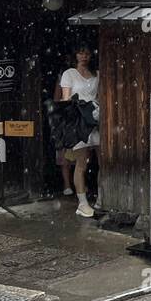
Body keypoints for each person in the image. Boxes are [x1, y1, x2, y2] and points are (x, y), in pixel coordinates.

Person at [59, 45, 100, 217]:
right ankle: (82, 203)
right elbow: (66, 99)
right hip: (79, 120)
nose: (84, 56)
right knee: (81, 163)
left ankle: (102, 197)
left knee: (103, 161)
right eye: (81, 52)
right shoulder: (69, 73)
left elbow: (101, 95)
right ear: (75, 54)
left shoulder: (97, 73)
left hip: (96, 117)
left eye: (87, 52)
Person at [53, 57, 75, 196]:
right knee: (64, 153)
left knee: (80, 154)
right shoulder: (62, 77)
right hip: (65, 120)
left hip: (78, 119)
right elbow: (56, 99)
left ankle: (78, 185)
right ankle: (67, 184)